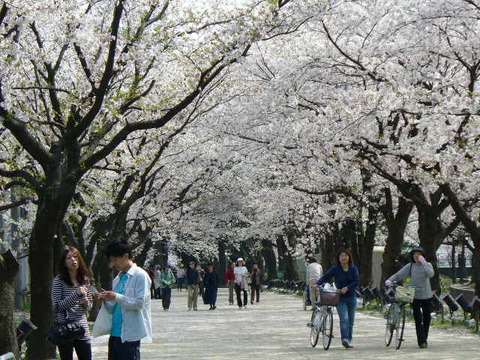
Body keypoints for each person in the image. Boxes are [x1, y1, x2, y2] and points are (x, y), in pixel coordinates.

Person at [97, 240, 152, 360]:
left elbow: (139, 303)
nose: (113, 264)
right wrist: (105, 300)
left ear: (126, 256)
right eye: (111, 261)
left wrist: (116, 297)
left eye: (115, 260)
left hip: (130, 334)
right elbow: (114, 308)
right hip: (115, 333)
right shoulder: (118, 278)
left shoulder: (140, 276)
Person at [385, 246, 434, 349]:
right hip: (414, 295)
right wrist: (390, 280)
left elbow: (430, 274)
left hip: (427, 295)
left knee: (427, 318)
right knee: (418, 318)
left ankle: (424, 337)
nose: (416, 256)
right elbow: (399, 275)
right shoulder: (410, 266)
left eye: (419, 254)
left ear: (422, 256)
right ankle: (422, 341)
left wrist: (424, 263)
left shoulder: (427, 265)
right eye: (415, 254)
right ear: (412, 256)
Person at [51, 246, 93, 360]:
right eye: (69, 258)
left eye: (75, 257)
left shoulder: (84, 279)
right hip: (65, 328)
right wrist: (76, 295)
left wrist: (86, 303)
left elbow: (89, 306)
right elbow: (56, 307)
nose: (73, 260)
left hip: (81, 327)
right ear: (64, 262)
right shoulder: (58, 281)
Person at [315, 249, 359, 349]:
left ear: (349, 257)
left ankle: (348, 340)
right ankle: (344, 339)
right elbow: (326, 277)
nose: (344, 257)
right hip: (340, 298)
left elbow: (357, 281)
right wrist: (317, 284)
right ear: (338, 259)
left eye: (346, 256)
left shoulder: (353, 269)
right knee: (344, 319)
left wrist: (347, 288)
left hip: (351, 298)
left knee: (351, 321)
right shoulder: (335, 269)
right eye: (342, 256)